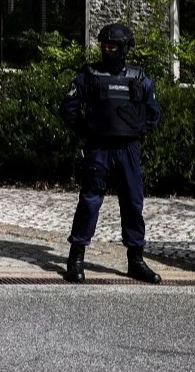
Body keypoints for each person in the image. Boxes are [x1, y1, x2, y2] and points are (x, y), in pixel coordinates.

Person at [59, 22, 163, 284]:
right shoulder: (90, 75)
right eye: (104, 45)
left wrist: (135, 131)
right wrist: (88, 132)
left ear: (125, 48)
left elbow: (153, 114)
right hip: (99, 149)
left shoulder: (139, 78)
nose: (107, 50)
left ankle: (136, 260)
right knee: (90, 201)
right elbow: (68, 108)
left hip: (128, 150)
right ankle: (76, 258)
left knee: (133, 203)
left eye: (113, 46)